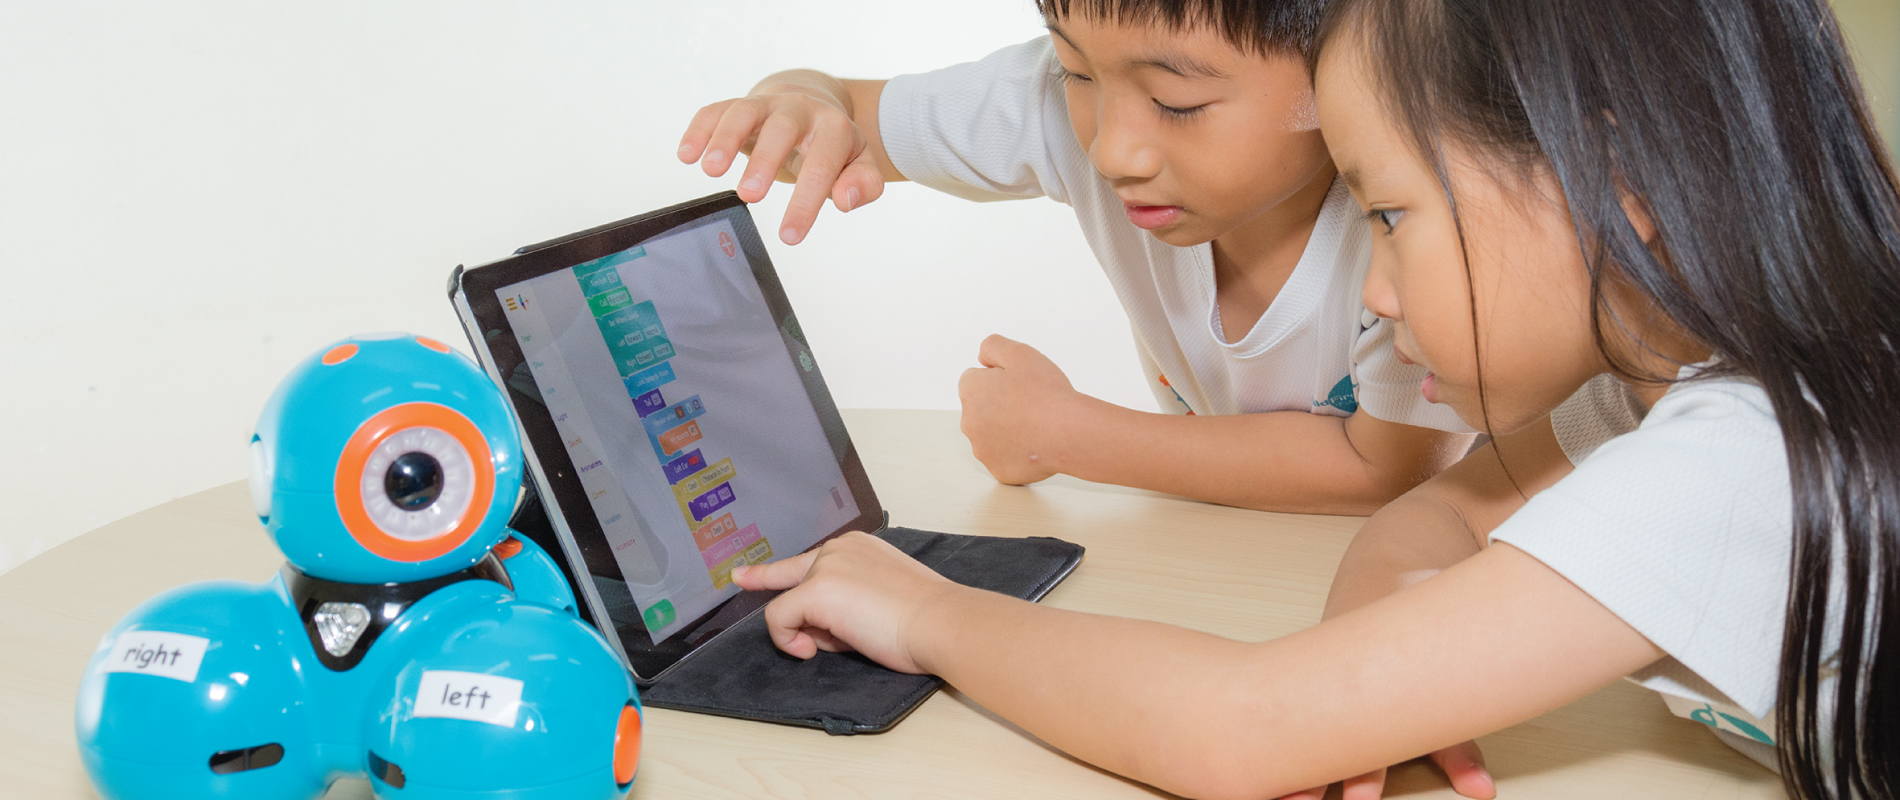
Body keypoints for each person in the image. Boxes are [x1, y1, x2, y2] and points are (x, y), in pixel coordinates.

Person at [728, 0, 1900, 798]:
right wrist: (1381, 677)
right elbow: (1438, 512)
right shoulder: (1651, 396)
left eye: (1388, 213)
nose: (1375, 293)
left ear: (1613, 181)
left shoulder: (1740, 458)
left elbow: (1236, 726)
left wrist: (925, 610)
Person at [678, 0, 1476, 515]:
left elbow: (1388, 468)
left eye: (1177, 102)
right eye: (1075, 69)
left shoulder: (1424, 217)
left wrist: (1068, 435)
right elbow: (845, 108)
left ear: (1347, 63)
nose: (1112, 149)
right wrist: (801, 107)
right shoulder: (1066, 103)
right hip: (1226, 552)